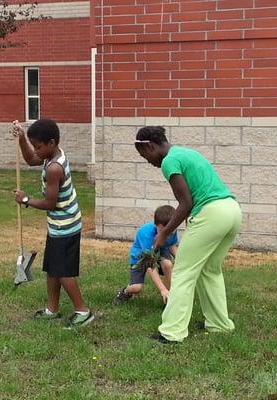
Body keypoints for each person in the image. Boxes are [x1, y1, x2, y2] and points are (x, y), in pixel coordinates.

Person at [134, 126, 241, 344]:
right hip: (231, 210)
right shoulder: (186, 152)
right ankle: (219, 324)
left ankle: (172, 332)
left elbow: (186, 203)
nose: (148, 161)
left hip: (211, 214)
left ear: (151, 146)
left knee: (183, 271)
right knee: (210, 270)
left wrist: (164, 233)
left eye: (144, 156)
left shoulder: (169, 161)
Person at [12, 118, 94, 329]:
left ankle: (83, 311)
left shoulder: (54, 168)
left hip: (65, 227)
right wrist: (22, 138)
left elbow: (50, 202)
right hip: (58, 225)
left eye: (38, 146)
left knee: (64, 271)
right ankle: (52, 309)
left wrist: (26, 200)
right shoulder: (51, 155)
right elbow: (30, 159)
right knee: (52, 269)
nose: (36, 151)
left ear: (51, 143)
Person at [113, 205, 178, 306]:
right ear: (156, 225)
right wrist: (162, 289)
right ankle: (124, 292)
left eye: (169, 231)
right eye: (162, 231)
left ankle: (167, 300)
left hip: (160, 250)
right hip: (141, 257)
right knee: (136, 288)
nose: (166, 234)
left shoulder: (172, 230)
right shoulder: (146, 234)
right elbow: (149, 265)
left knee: (168, 265)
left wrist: (182, 260)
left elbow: (172, 246)